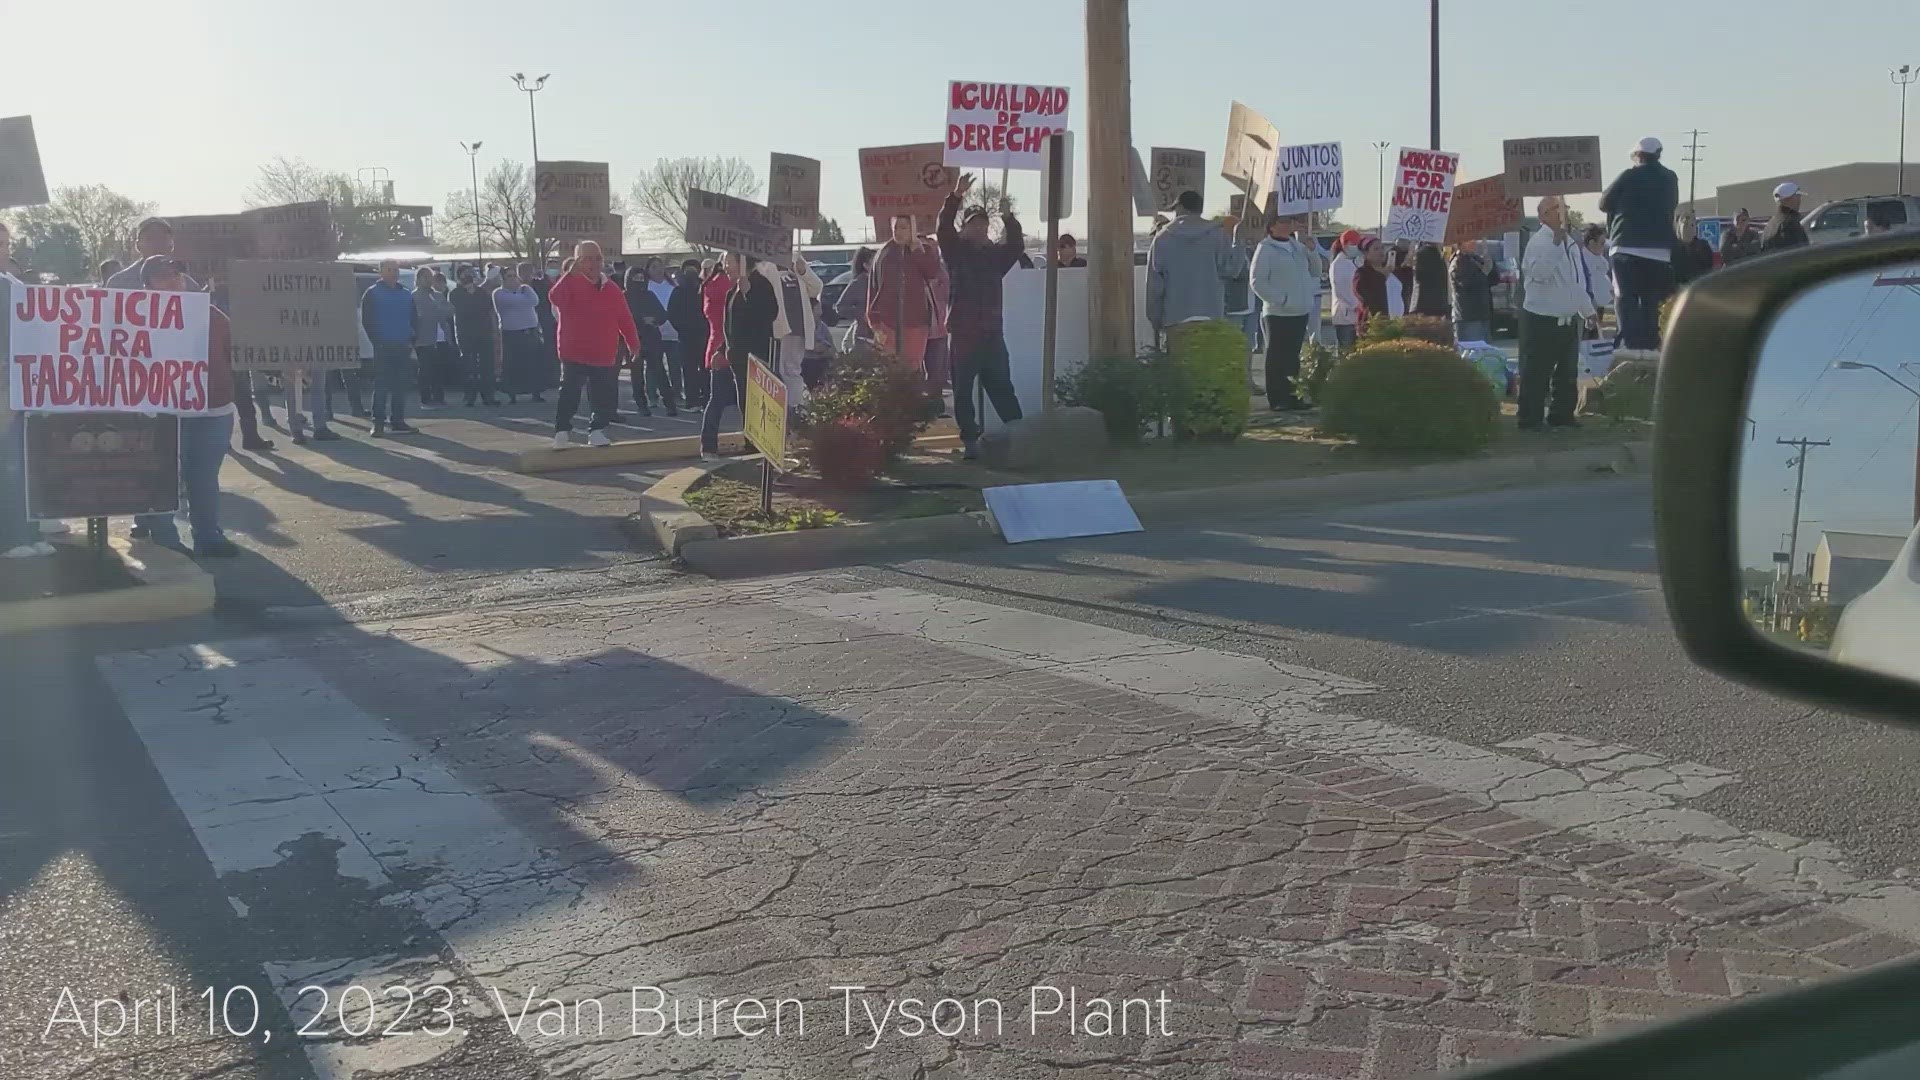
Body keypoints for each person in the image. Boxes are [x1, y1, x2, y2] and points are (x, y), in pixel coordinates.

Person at [130, 256, 241, 557]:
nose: (173, 280)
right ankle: (166, 540)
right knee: (163, 475)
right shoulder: (135, 318)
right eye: (164, 276)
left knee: (204, 476)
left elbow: (240, 352)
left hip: (213, 410)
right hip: (162, 412)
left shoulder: (211, 315)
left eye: (177, 274)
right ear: (148, 284)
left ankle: (208, 536)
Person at [937, 174, 1029, 458]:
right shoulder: (955, 252)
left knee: (1002, 388)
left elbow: (1016, 247)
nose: (980, 228)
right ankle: (971, 442)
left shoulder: (995, 256)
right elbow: (942, 229)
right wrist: (956, 197)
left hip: (991, 335)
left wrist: (1009, 218)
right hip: (964, 335)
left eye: (983, 224)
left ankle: (1019, 436)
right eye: (974, 223)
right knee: (963, 393)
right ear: (964, 228)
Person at [1516, 196, 1597, 432]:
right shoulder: (1539, 242)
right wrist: (1554, 245)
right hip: (1543, 318)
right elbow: (1539, 273)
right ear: (1543, 216)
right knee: (1537, 372)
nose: (1562, 214)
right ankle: (1530, 419)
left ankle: (1561, 415)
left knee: (1567, 373)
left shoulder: (1570, 243)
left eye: (1564, 209)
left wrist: (1587, 310)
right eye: (1556, 209)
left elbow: (1574, 282)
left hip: (1568, 318)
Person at [548, 241, 640, 449]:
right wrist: (568, 277)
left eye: (597, 258)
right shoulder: (570, 282)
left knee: (603, 393)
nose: (593, 263)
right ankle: (562, 431)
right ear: (577, 261)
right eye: (587, 259)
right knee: (569, 391)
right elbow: (555, 298)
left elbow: (624, 318)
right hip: (574, 350)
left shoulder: (612, 288)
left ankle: (597, 430)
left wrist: (633, 343)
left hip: (603, 351)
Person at [1598, 136, 1679, 350]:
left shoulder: (1629, 175)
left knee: (1626, 299)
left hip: (1625, 245)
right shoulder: (1670, 178)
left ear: (1637, 156)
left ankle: (1630, 347)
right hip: (1659, 250)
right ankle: (1650, 345)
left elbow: (1603, 202)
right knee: (1650, 303)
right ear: (1658, 154)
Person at [0, 220, 48, 559]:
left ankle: (25, 533)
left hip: (16, 394)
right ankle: (10, 540)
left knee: (20, 465)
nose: (2, 250)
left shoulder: (12, 287)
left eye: (4, 243)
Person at [702, 253, 777, 459]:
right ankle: (713, 446)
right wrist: (720, 350)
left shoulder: (760, 285)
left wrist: (749, 294)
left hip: (755, 358)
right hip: (734, 357)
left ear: (743, 262)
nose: (725, 265)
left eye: (729, 261)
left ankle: (756, 450)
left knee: (753, 405)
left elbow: (768, 315)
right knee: (730, 401)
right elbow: (730, 328)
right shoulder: (731, 291)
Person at [1249, 215, 1324, 412]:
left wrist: (1311, 251)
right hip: (1278, 312)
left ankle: (1293, 396)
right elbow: (1257, 281)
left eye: (1290, 223)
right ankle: (1277, 398)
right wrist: (1281, 299)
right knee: (1277, 357)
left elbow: (1316, 271)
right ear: (1272, 227)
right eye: (1283, 222)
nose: (1288, 226)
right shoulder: (1265, 249)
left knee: (1292, 357)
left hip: (1300, 309)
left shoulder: (1297, 247)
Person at [1145, 190, 1246, 331]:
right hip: (1211, 315)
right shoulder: (1217, 235)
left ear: (1179, 208)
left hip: (1175, 318)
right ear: (1200, 209)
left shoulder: (1162, 239)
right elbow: (1233, 270)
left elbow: (1154, 287)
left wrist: (1155, 319)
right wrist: (1239, 242)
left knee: (1180, 354)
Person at [868, 213, 942, 370]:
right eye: (895, 228)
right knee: (889, 371)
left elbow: (932, 272)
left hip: (916, 323)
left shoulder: (925, 249)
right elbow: (874, 289)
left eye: (904, 227)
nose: (898, 232)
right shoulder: (883, 255)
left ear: (913, 229)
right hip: (887, 323)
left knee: (912, 370)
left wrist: (916, 249)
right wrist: (874, 322)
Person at [359, 259, 417, 437]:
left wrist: (411, 341)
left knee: (400, 385)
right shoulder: (372, 293)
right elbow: (367, 320)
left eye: (396, 270)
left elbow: (414, 319)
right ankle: (378, 423)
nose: (393, 273)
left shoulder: (406, 294)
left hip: (402, 345)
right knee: (382, 385)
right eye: (389, 270)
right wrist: (377, 341)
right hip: (383, 346)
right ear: (381, 272)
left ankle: (398, 421)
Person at [767, 251, 825, 409]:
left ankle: (796, 408)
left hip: (798, 327)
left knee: (792, 370)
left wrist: (803, 271)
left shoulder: (795, 259)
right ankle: (782, 409)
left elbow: (816, 287)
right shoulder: (764, 263)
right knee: (776, 370)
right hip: (778, 328)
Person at [622, 263, 678, 417]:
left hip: (652, 338)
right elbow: (621, 318)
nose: (639, 281)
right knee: (637, 375)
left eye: (642, 278)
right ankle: (642, 405)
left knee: (659, 372)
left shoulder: (649, 295)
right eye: (636, 278)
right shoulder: (623, 297)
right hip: (633, 339)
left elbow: (662, 314)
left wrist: (654, 321)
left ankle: (670, 404)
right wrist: (641, 321)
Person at [495, 262, 548, 405]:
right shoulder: (499, 293)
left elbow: (535, 301)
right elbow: (514, 303)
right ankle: (513, 395)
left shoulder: (526, 289)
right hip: (512, 333)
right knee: (513, 365)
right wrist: (523, 299)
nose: (513, 279)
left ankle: (536, 393)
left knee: (534, 363)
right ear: (503, 279)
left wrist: (523, 294)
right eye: (509, 277)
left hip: (530, 330)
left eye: (514, 276)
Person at [449, 266, 498, 408]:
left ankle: (488, 396)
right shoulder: (455, 293)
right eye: (466, 274)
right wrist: (468, 294)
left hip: (484, 333)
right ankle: (469, 397)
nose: (469, 276)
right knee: (469, 367)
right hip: (466, 335)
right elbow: (462, 310)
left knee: (487, 367)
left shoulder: (482, 292)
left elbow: (487, 308)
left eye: (471, 273)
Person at [106, 218, 198, 290]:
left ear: (172, 245)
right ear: (138, 245)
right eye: (150, 238)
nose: (157, 243)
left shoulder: (190, 286)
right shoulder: (118, 284)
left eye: (163, 238)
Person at [644, 258, 685, 409]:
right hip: (654, 332)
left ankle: (677, 394)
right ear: (648, 270)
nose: (658, 270)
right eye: (654, 267)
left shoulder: (673, 286)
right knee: (653, 366)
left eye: (660, 266)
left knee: (674, 365)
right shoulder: (646, 287)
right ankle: (652, 396)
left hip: (673, 331)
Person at [668, 258, 709, 407]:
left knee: (705, 368)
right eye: (688, 271)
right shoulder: (678, 291)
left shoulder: (704, 288)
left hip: (703, 335)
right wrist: (681, 328)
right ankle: (691, 400)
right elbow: (672, 313)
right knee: (689, 369)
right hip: (685, 337)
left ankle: (706, 399)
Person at [414, 267, 456, 408]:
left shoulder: (438, 295)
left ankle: (439, 398)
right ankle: (426, 399)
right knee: (426, 370)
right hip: (424, 339)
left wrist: (439, 309)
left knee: (438, 369)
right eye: (425, 277)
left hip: (441, 337)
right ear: (418, 279)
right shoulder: (414, 297)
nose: (429, 280)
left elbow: (450, 310)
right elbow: (420, 316)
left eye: (430, 277)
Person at [919, 235, 951, 414]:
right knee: (914, 371)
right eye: (925, 248)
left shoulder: (940, 270)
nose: (929, 252)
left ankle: (935, 407)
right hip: (916, 330)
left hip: (938, 330)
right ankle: (916, 407)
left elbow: (948, 293)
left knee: (937, 371)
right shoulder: (911, 269)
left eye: (932, 249)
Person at [1351, 237, 1405, 333]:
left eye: (1382, 248)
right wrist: (1382, 276)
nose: (1381, 252)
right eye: (1376, 249)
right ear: (1366, 254)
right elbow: (1366, 296)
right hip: (1374, 325)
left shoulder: (1392, 271)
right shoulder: (1362, 273)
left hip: (1396, 323)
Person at [1449, 245, 1497, 345]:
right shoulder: (1458, 262)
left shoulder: (1476, 259)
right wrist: (1484, 273)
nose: (1473, 243)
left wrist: (1490, 263)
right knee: (1473, 350)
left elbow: (1493, 280)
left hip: (1483, 314)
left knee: (1485, 353)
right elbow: (1467, 284)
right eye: (1469, 241)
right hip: (1468, 316)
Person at [1328, 230, 1364, 350]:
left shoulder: (1356, 261)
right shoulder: (1338, 264)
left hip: (1357, 316)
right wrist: (1356, 305)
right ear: (1346, 244)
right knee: (1346, 351)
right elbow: (1341, 291)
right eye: (1354, 244)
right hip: (1345, 315)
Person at [834, 247, 875, 345]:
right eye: (874, 263)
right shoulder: (858, 283)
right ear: (866, 266)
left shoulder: (881, 281)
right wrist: (862, 314)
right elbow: (840, 307)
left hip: (882, 334)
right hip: (864, 335)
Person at [1760, 182, 1810, 253]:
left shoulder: (1769, 226)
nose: (1800, 200)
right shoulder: (1790, 223)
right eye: (1798, 196)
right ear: (1788, 199)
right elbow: (1799, 254)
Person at [1578, 225, 1613, 322]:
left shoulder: (1600, 260)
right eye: (1602, 243)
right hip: (1588, 307)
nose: (1604, 247)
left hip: (1599, 306)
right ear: (1592, 243)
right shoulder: (1583, 262)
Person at [1409, 243, 1450, 319]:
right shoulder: (1423, 253)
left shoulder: (1440, 253)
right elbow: (1419, 276)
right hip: (1427, 305)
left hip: (1439, 305)